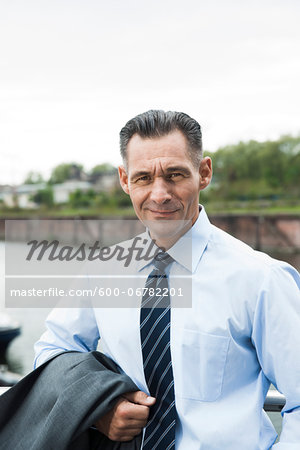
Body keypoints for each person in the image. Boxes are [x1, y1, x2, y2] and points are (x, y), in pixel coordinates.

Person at [34, 110, 300, 449]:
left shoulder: (262, 279)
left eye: (175, 175)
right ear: (124, 180)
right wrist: (97, 408)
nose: (160, 194)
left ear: (204, 173)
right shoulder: (101, 271)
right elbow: (53, 350)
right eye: (143, 178)